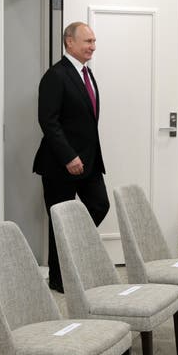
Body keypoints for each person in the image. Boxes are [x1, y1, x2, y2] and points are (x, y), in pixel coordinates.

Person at [33, 22, 109, 293]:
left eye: (94, 41)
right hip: (59, 164)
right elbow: (48, 121)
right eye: (88, 41)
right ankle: (58, 279)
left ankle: (75, 251)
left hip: (89, 162)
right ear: (69, 43)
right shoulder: (56, 75)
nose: (93, 46)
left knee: (100, 205)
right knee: (59, 222)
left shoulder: (86, 74)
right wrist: (68, 157)